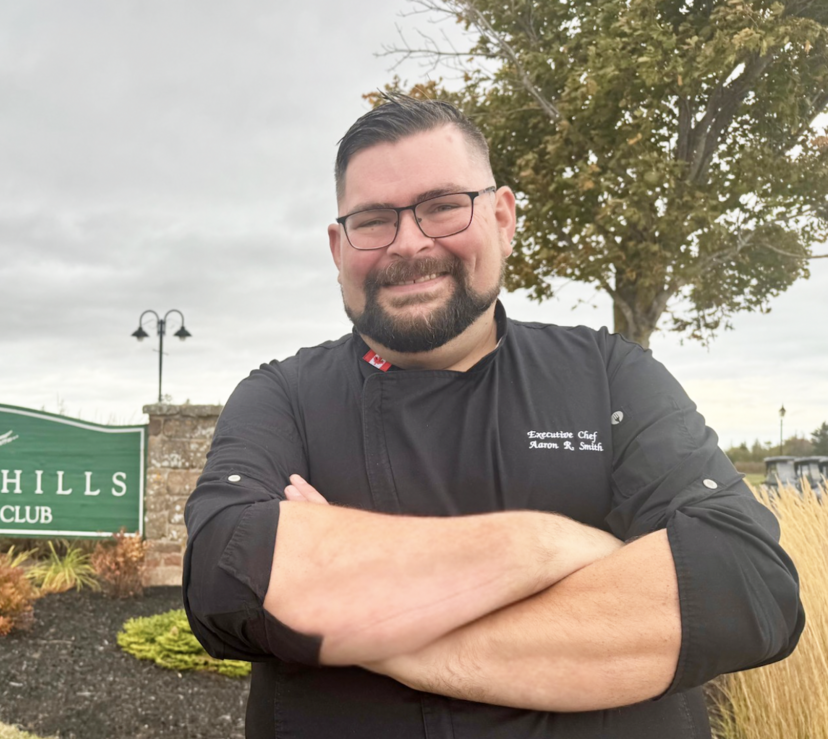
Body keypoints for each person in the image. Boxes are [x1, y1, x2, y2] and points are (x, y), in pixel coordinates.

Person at [181, 95, 804, 739]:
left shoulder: (607, 373)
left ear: (503, 217)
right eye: (373, 221)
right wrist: (552, 548)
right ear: (338, 248)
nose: (411, 243)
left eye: (443, 206)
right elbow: (227, 580)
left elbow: (746, 587)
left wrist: (356, 620)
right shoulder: (282, 396)